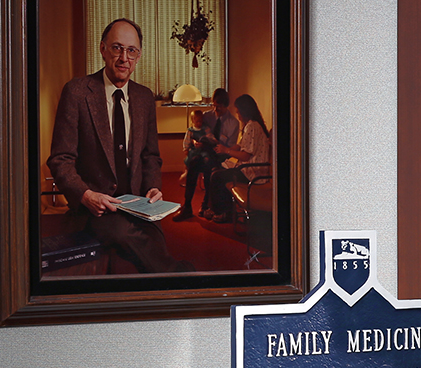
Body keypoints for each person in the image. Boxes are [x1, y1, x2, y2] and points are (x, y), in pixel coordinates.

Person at [46, 18, 189, 273]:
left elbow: (151, 156)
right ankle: (180, 277)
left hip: (138, 205)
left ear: (139, 55)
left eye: (131, 51)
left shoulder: (144, 97)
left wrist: (154, 186)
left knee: (156, 243)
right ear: (102, 49)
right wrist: (86, 195)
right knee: (124, 234)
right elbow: (60, 159)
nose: (124, 57)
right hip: (95, 209)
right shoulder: (77, 92)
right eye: (117, 48)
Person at [174, 87, 240, 221]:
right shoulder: (206, 116)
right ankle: (187, 206)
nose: (215, 110)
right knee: (193, 163)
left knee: (210, 166)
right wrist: (195, 142)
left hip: (220, 156)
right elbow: (196, 132)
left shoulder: (233, 123)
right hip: (203, 152)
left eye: (219, 107)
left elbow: (231, 148)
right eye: (214, 106)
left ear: (226, 106)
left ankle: (206, 205)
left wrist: (223, 148)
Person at [206, 94, 272, 223]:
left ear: (244, 111)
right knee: (216, 170)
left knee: (217, 176)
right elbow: (241, 145)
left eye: (238, 112)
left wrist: (227, 150)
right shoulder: (252, 125)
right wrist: (224, 148)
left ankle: (222, 212)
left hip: (253, 173)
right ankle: (218, 209)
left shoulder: (252, 127)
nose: (238, 115)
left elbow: (246, 155)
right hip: (249, 169)